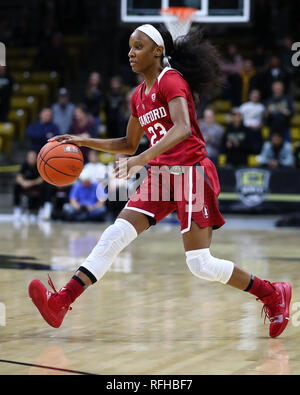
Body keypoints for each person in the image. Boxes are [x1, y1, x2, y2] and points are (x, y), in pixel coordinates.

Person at [29, 24, 292, 338]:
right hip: (160, 175)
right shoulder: (138, 95)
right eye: (129, 47)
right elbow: (128, 143)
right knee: (114, 235)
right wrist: (84, 141)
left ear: (157, 51)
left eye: (138, 46)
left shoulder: (171, 80)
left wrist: (140, 160)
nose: (130, 53)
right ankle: (61, 301)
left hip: (191, 172)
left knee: (199, 263)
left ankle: (272, 293)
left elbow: (182, 129)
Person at [13, 151, 45, 222]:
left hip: (35, 185)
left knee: (44, 186)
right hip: (25, 185)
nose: (31, 159)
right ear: (27, 158)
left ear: (36, 158)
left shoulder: (39, 165)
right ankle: (17, 209)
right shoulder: (24, 164)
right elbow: (18, 177)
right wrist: (23, 182)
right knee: (16, 185)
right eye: (30, 157)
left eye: (33, 157)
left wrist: (30, 183)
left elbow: (41, 179)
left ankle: (41, 209)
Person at [239, 89, 265, 154]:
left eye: (257, 95)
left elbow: (263, 119)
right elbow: (239, 118)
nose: (255, 96)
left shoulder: (261, 107)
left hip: (257, 130)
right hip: (246, 129)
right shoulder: (244, 106)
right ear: (250, 96)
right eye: (254, 95)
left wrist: (260, 125)